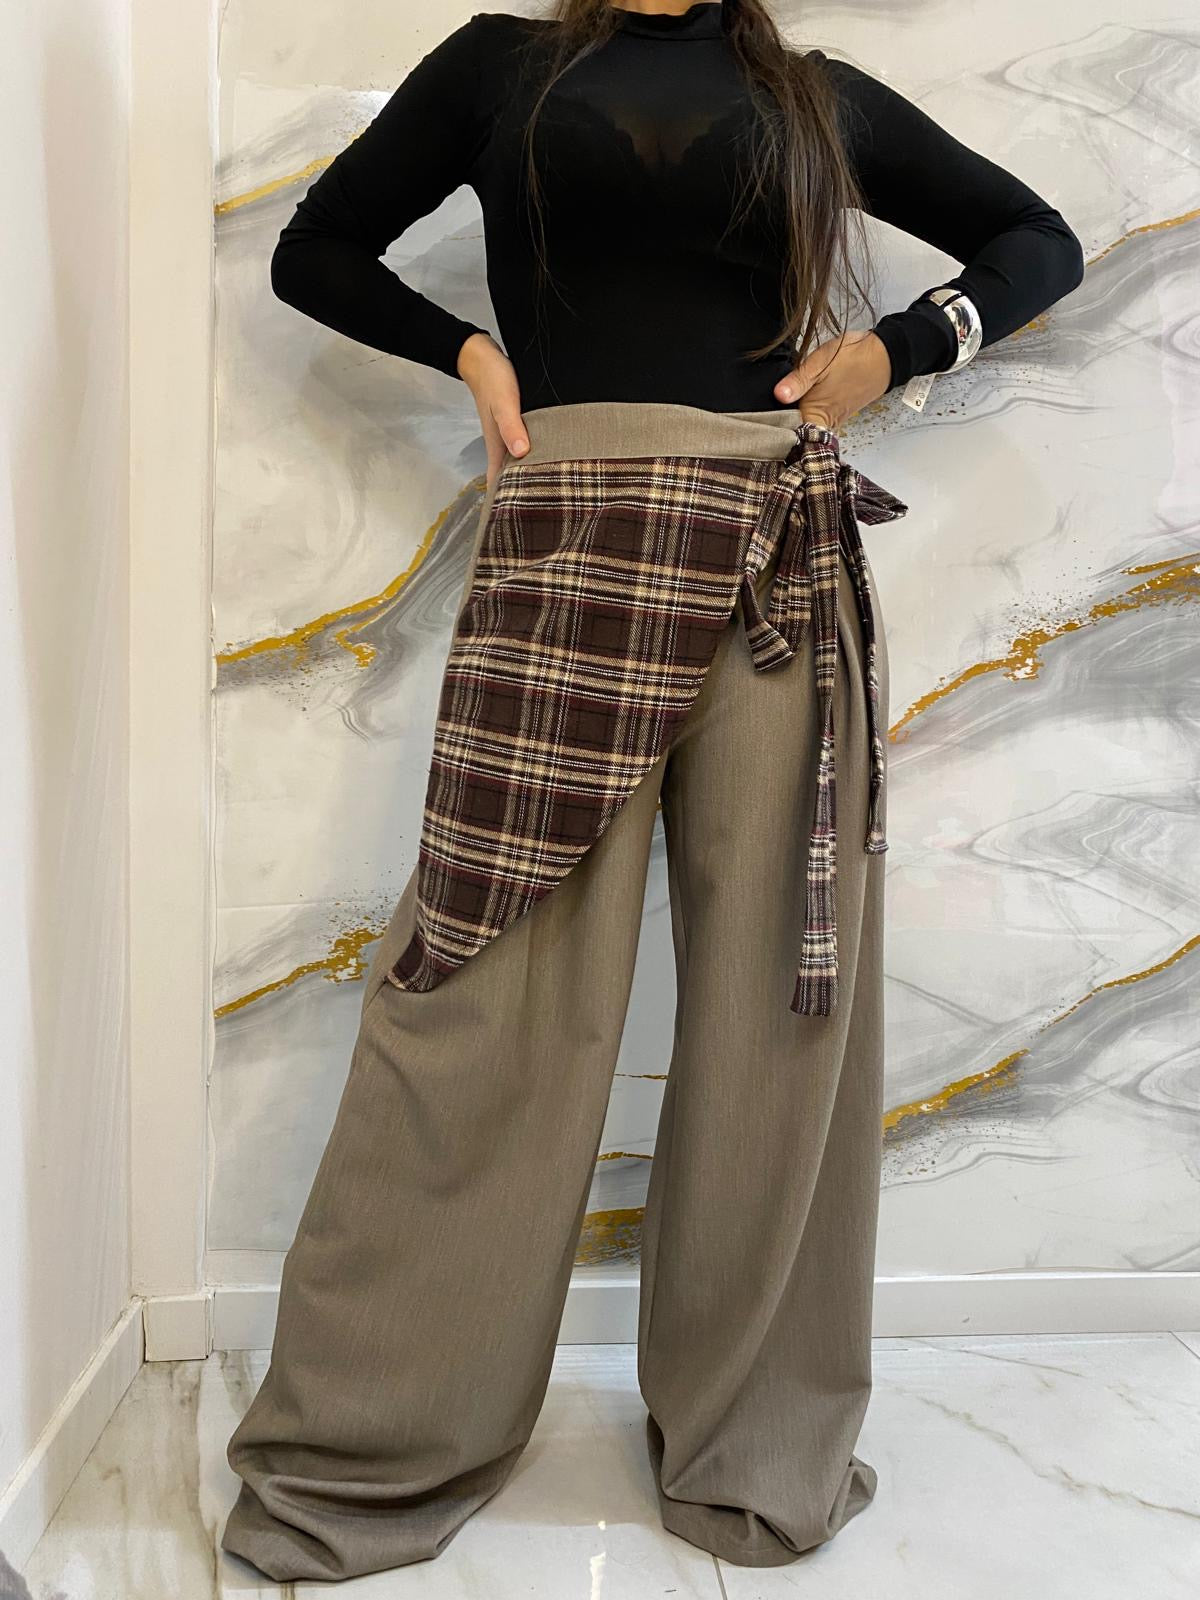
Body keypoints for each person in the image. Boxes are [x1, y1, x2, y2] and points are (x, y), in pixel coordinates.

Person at [221, 0, 1084, 1582]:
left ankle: (755, 1442)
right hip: (565, 549)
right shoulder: (497, 68)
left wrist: (897, 350)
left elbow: (1039, 241)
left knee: (778, 1010)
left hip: (773, 559)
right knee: (483, 990)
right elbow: (316, 250)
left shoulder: (812, 96)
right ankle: (374, 1434)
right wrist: (470, 351)